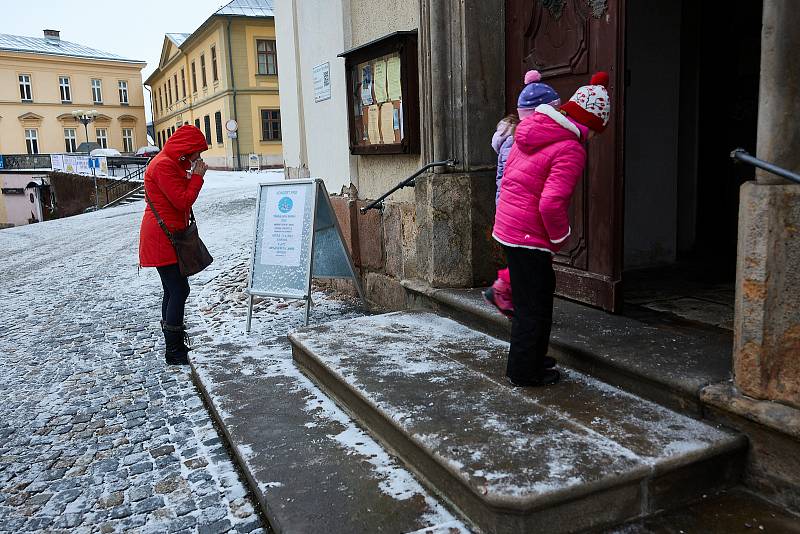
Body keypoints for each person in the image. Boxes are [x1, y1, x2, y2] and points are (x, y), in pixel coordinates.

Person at [492, 72, 611, 387]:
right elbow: (550, 203)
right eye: (598, 131)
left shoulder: (530, 129)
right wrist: (560, 238)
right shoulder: (571, 149)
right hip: (530, 235)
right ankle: (524, 371)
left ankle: (530, 358)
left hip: (509, 227)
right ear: (592, 124)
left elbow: (511, 181)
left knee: (530, 301)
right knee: (536, 307)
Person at [484, 70, 561, 318]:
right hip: (518, 209)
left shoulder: (513, 138)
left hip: (507, 207)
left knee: (526, 262)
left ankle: (520, 301)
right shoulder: (520, 141)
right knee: (530, 262)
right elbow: (514, 179)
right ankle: (506, 291)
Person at [139, 125, 210, 365]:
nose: (198, 158)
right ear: (186, 149)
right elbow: (182, 201)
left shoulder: (172, 163)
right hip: (163, 238)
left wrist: (191, 173)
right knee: (179, 290)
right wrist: (198, 176)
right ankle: (174, 350)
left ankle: (175, 345)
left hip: (168, 235)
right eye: (196, 152)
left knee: (173, 289)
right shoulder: (164, 165)